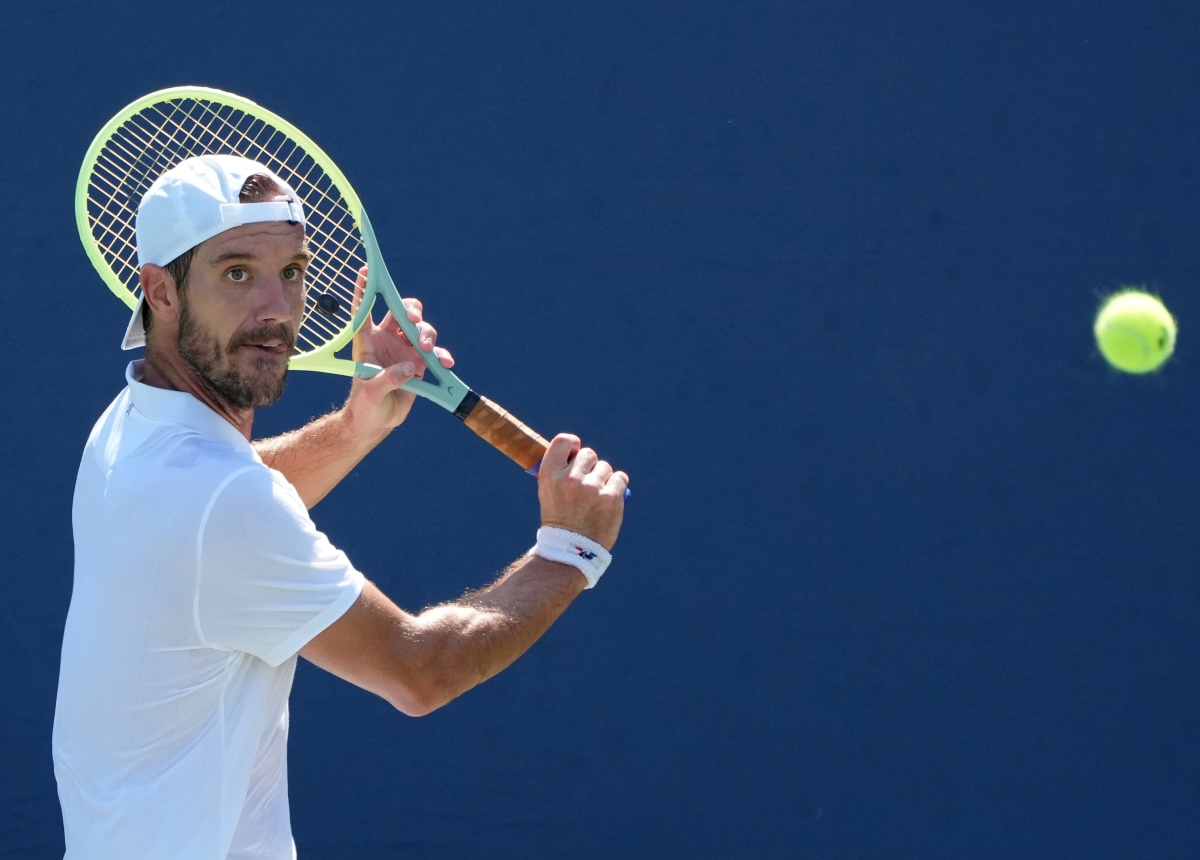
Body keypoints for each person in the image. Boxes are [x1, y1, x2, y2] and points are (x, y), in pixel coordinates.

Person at [53, 155, 628, 860]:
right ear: (160, 291)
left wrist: (358, 425)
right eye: (237, 273)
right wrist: (571, 551)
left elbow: (233, 495)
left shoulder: (130, 425)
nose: (276, 308)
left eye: (292, 271)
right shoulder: (221, 504)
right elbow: (423, 671)